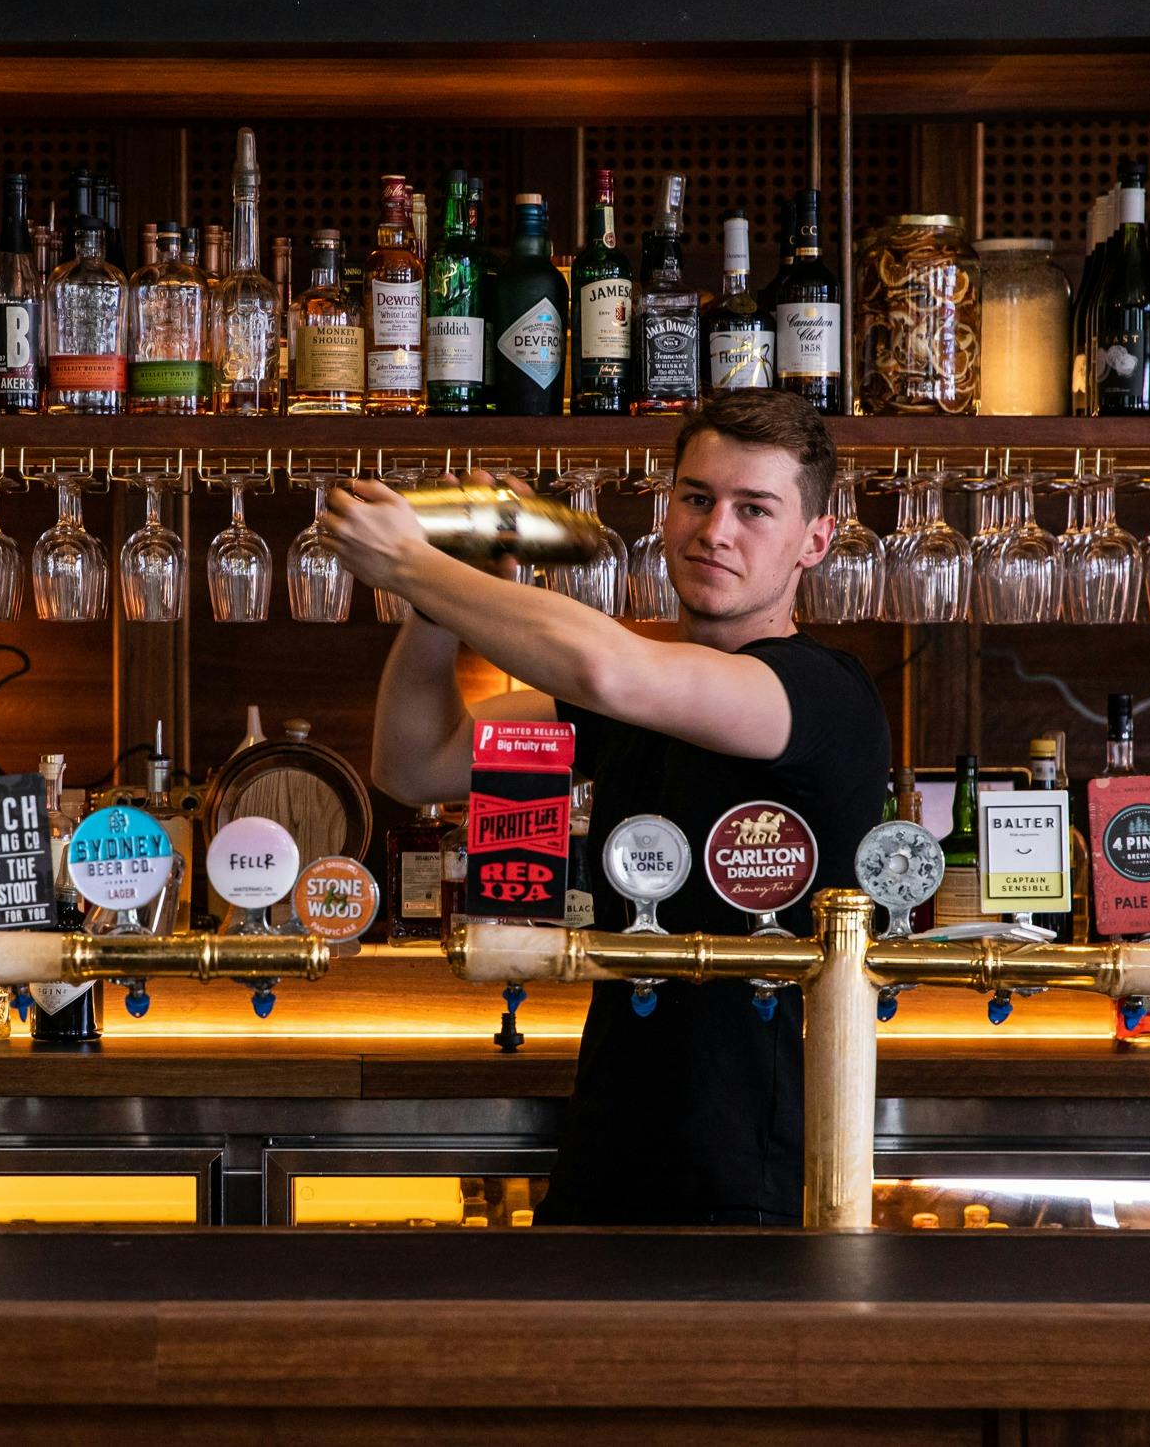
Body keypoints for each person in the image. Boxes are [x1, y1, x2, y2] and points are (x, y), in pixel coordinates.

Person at [321, 389, 892, 1225]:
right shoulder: (638, 700)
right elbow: (415, 762)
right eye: (696, 497)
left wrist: (414, 564)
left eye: (754, 509)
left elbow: (609, 671)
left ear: (815, 540)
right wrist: (445, 594)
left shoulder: (821, 696)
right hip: (613, 1145)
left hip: (756, 1176)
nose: (715, 530)